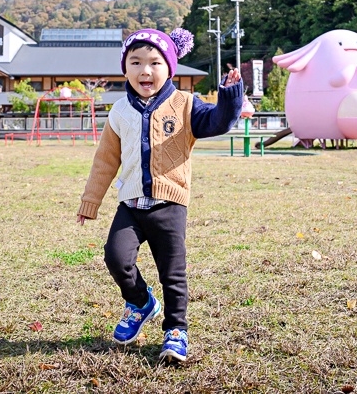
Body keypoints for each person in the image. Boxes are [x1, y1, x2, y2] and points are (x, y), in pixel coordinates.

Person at [77, 28, 242, 362]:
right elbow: (105, 161)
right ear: (125, 70)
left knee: (173, 273)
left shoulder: (185, 105)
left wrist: (230, 95)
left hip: (169, 204)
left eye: (154, 62)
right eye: (135, 62)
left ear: (170, 67)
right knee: (116, 257)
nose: (145, 71)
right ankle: (140, 302)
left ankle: (175, 331)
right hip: (131, 204)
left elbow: (218, 122)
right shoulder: (120, 111)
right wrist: (90, 202)